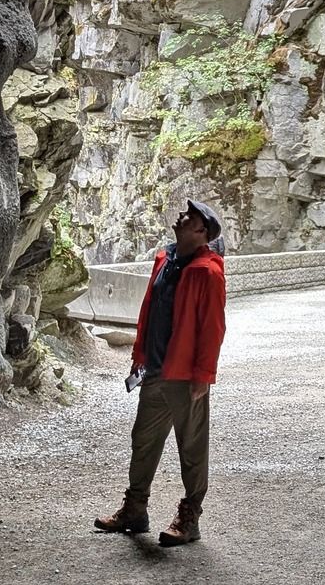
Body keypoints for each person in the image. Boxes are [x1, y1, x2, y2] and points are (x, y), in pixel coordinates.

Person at [94, 198, 227, 547]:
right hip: (155, 369)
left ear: (201, 232)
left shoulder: (208, 273)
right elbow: (149, 313)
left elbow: (213, 328)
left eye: (190, 216)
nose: (181, 218)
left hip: (185, 376)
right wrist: (139, 355)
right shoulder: (164, 260)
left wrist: (203, 375)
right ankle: (135, 510)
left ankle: (190, 516)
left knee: (192, 448)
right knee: (144, 441)